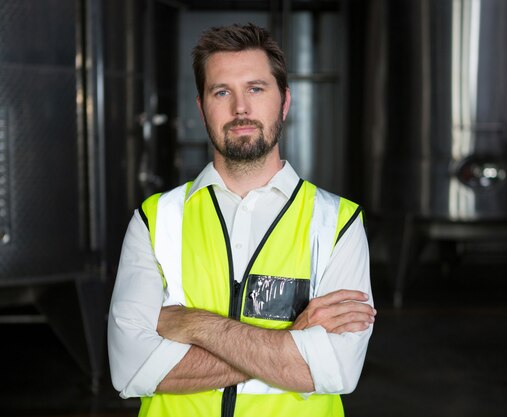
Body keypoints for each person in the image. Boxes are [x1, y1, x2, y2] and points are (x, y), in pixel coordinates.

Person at [107, 23, 375, 417]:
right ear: (201, 108)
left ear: (284, 101)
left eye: (255, 88)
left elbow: (336, 370)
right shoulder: (155, 219)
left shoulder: (338, 223)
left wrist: (195, 325)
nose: (240, 108)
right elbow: (131, 368)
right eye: (221, 92)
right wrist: (290, 341)